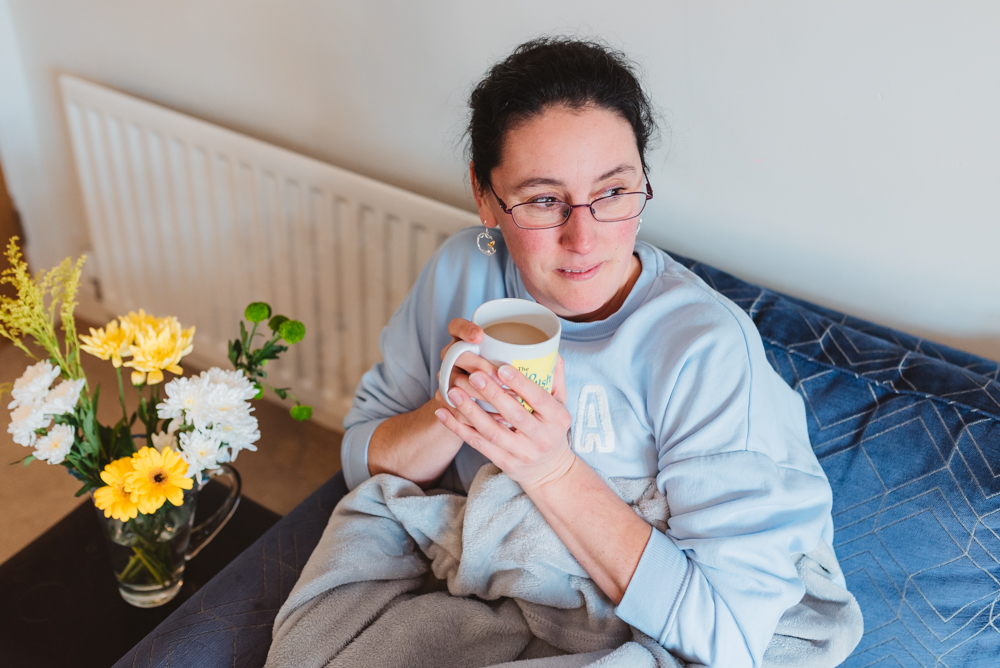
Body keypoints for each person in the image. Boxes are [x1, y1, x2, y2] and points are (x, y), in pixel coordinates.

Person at [341, 37, 841, 667]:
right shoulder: (461, 273)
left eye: (613, 192)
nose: (584, 238)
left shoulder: (703, 347)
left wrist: (549, 468)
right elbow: (362, 460)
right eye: (543, 200)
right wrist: (452, 410)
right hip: (493, 602)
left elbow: (729, 634)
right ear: (485, 197)